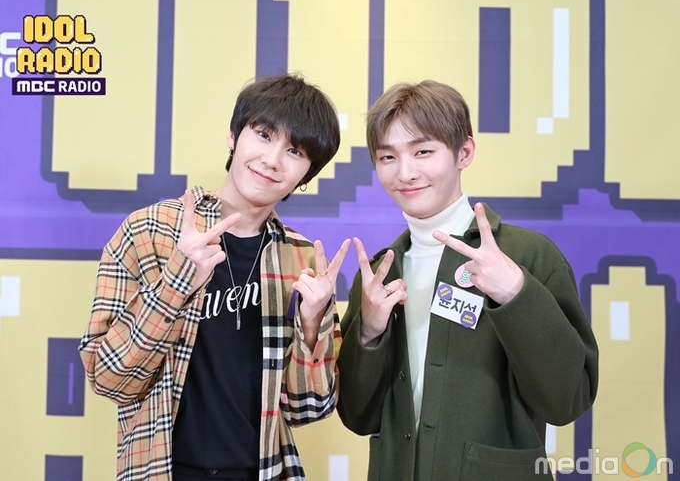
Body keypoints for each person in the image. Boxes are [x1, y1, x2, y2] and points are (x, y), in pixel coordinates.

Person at [79, 74, 350, 481]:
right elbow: (109, 379)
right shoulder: (149, 232)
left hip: (262, 471)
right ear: (233, 137)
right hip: (163, 470)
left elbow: (308, 408)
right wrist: (177, 283)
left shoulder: (302, 259)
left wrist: (313, 326)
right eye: (263, 135)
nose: (272, 159)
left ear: (307, 174)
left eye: (294, 150)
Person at [337, 80, 599, 480]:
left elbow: (568, 400)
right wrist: (369, 333)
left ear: (464, 153)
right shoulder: (379, 276)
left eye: (423, 152)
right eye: (387, 157)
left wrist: (516, 294)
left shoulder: (527, 256)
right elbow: (358, 418)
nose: (405, 173)